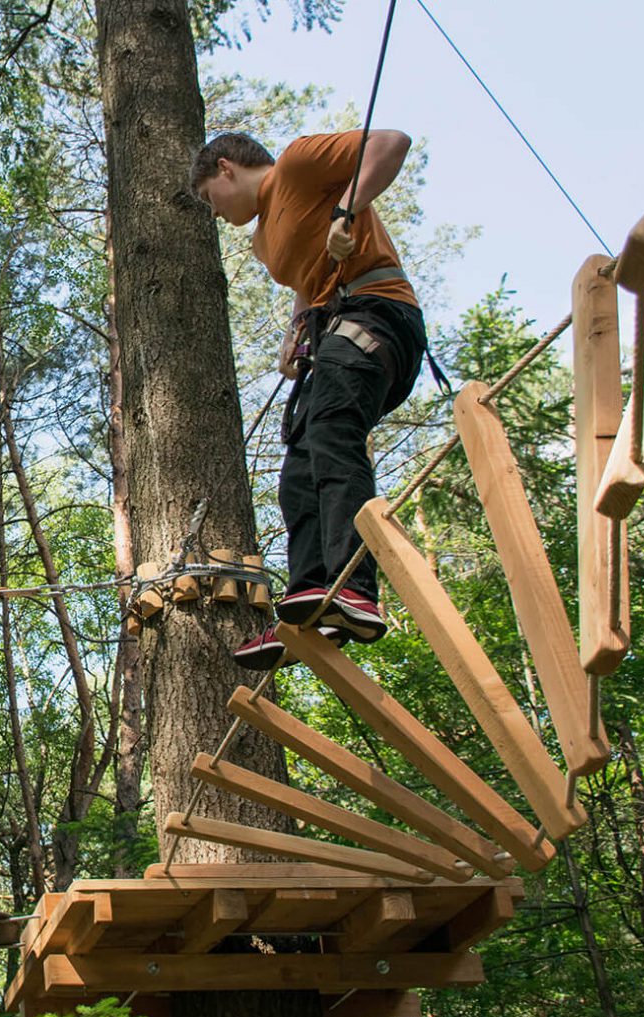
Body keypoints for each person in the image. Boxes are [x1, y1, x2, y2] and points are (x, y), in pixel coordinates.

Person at [190, 128, 434, 670]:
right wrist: (295, 330)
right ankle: (310, 599)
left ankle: (354, 586)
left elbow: (391, 143)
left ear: (226, 168)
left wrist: (347, 209)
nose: (213, 212)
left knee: (330, 433)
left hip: (378, 315)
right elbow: (308, 278)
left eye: (209, 197)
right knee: (299, 467)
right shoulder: (261, 241)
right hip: (333, 333)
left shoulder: (299, 164)